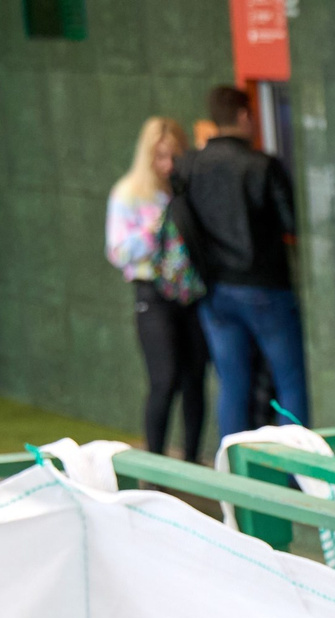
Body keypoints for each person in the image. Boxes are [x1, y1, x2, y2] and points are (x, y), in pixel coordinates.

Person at [172, 85, 309, 441]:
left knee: (232, 383)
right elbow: (292, 222)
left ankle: (231, 466)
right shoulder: (262, 165)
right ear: (245, 115)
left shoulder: (188, 166)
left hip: (212, 288)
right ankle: (297, 464)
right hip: (265, 287)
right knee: (290, 380)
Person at [104, 116, 206, 461]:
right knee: (164, 379)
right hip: (152, 293)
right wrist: (156, 229)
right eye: (160, 156)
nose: (167, 165)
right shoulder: (128, 193)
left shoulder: (185, 188)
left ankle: (192, 462)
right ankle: (155, 468)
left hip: (191, 294)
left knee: (195, 380)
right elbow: (118, 252)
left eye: (174, 156)